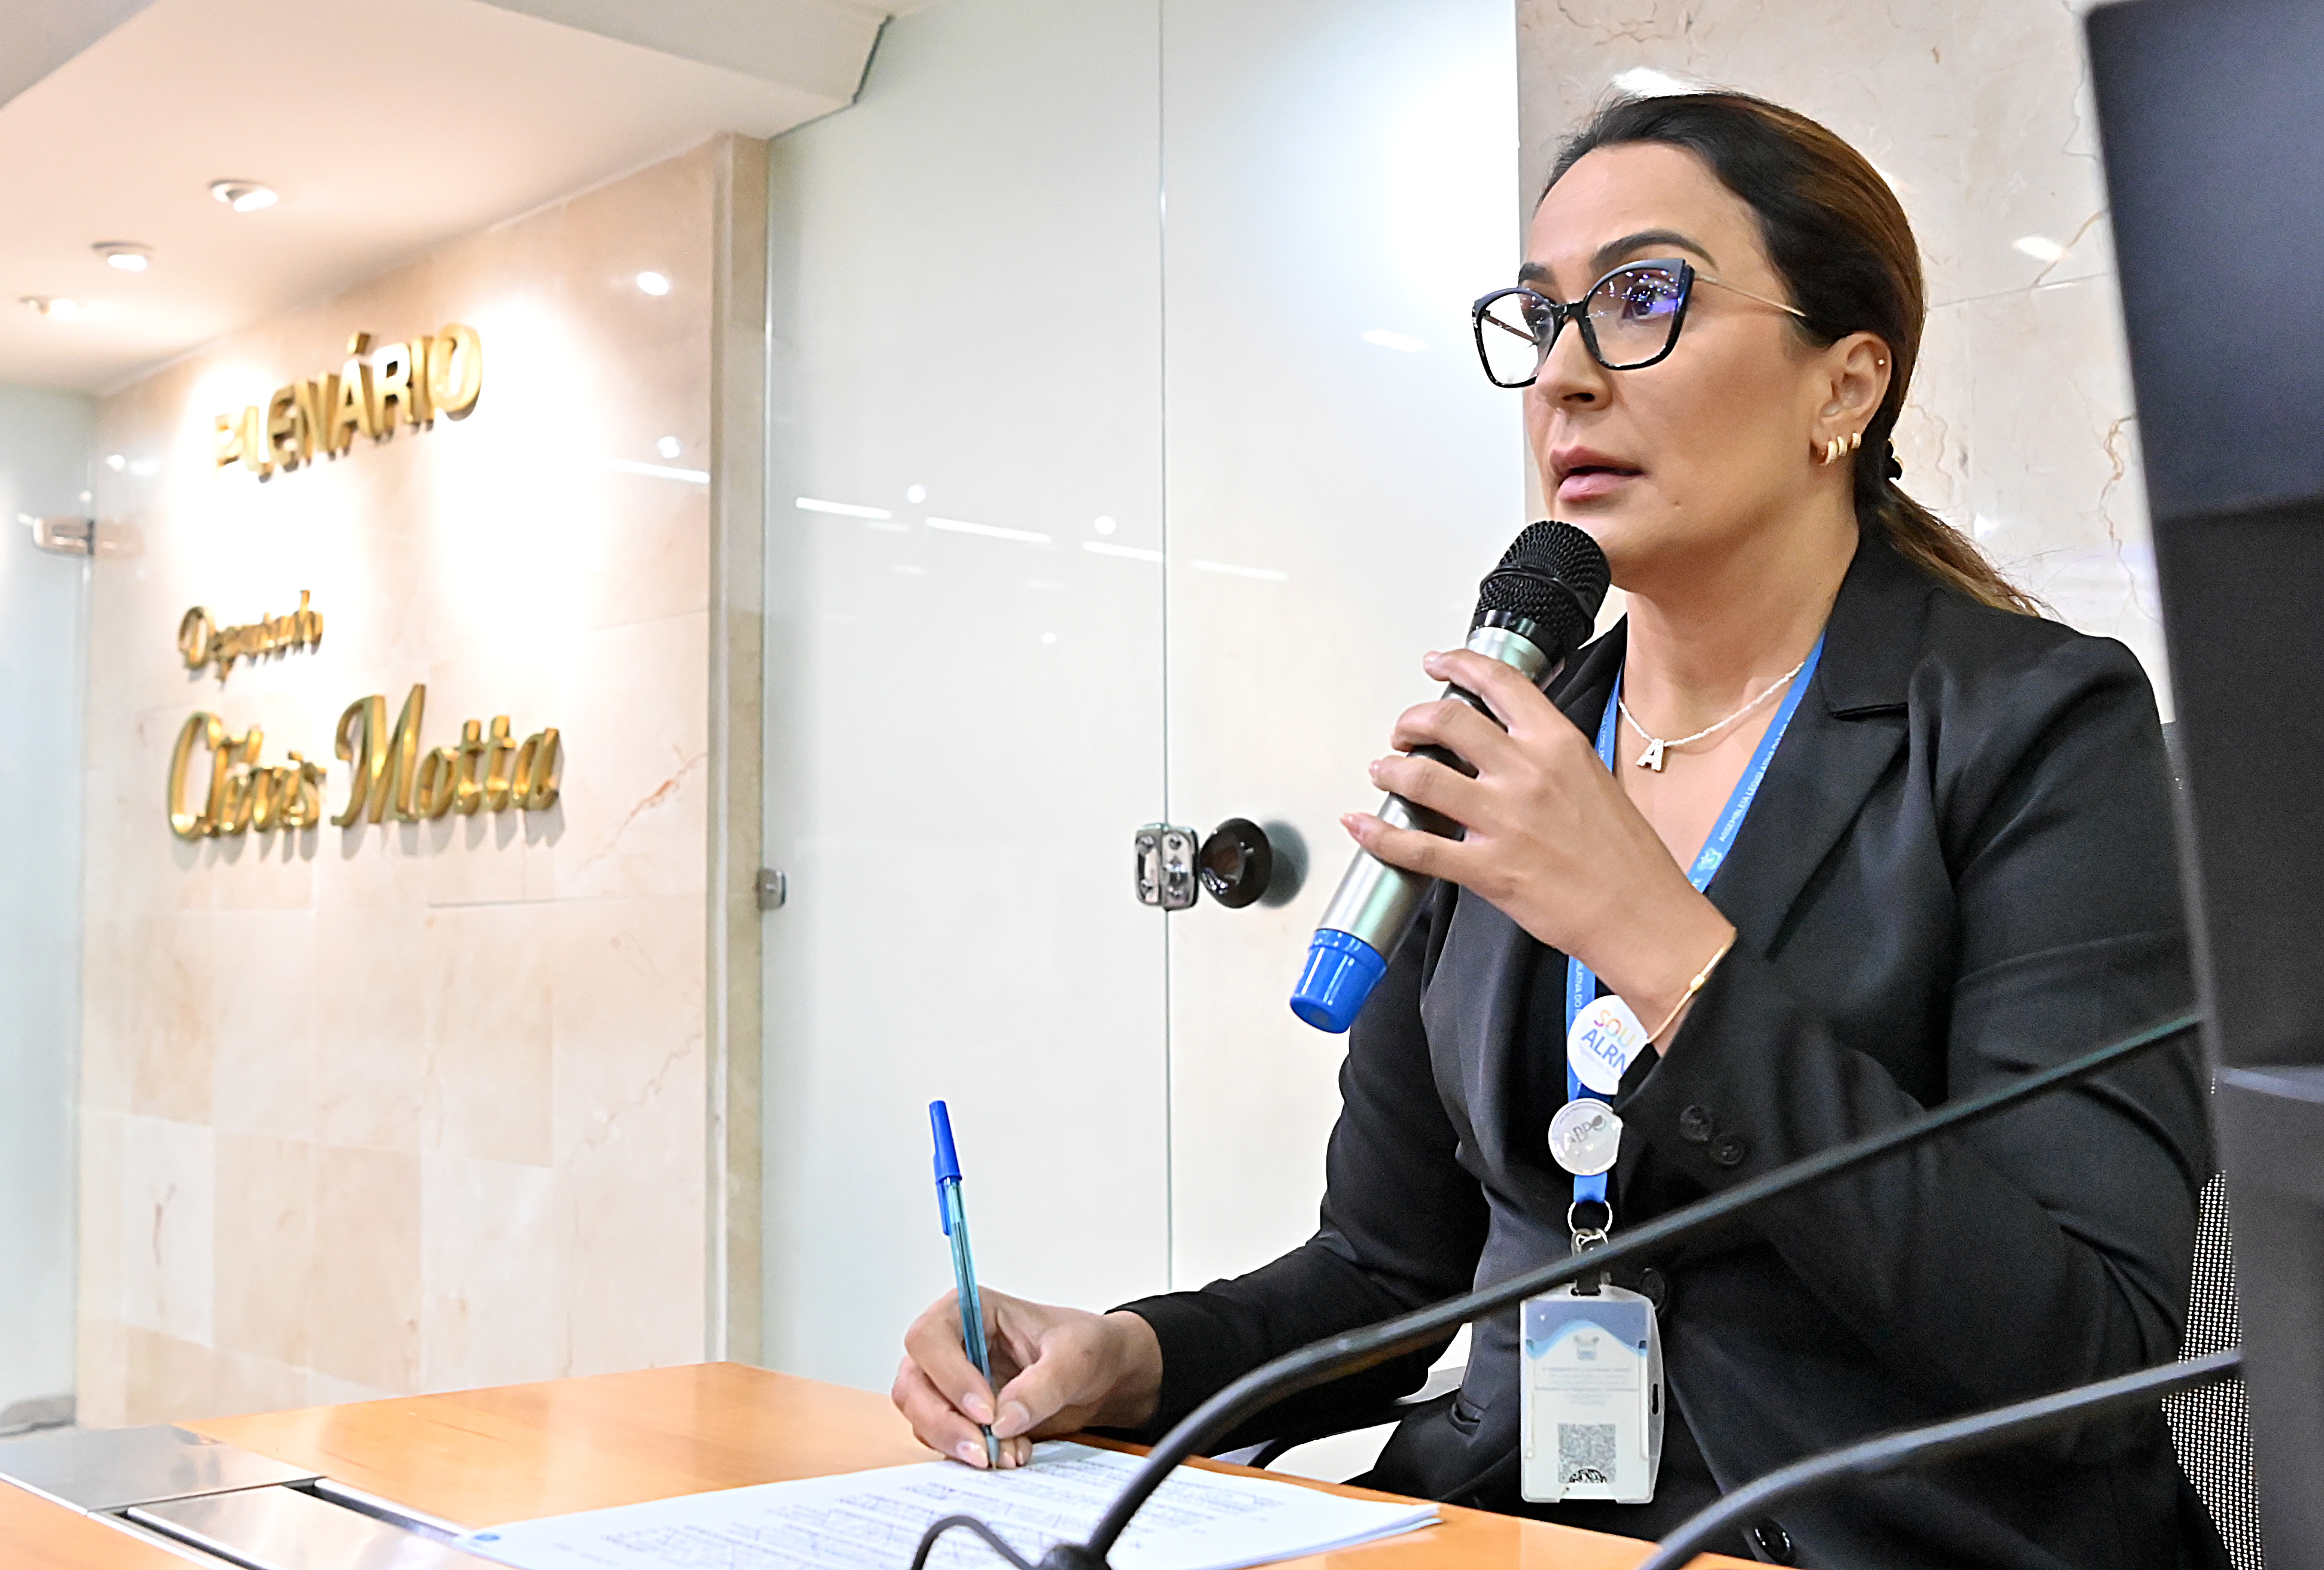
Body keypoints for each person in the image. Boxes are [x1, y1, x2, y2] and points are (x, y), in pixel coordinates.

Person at [892, 90, 2220, 1568]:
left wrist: (1659, 945)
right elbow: (1387, 1266)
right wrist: (1129, 1356)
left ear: (1845, 384)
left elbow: (2088, 1347)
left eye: (1645, 297)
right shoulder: (1510, 741)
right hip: (1519, 1526)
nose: (1566, 378)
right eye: (1541, 319)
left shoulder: (2039, 727)